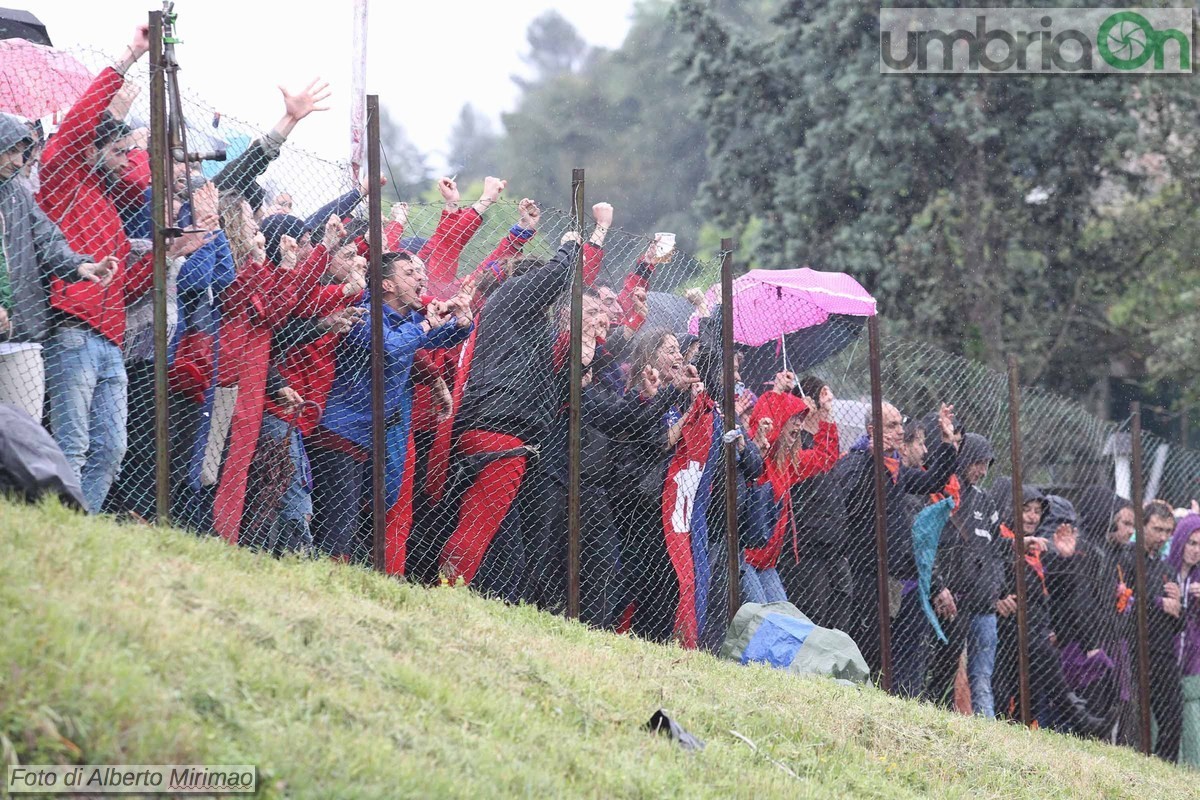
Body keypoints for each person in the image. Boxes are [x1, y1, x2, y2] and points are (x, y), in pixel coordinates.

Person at [439, 203, 611, 603]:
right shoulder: (515, 296)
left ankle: (465, 593)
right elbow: (558, 275)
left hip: (498, 425)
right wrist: (572, 244)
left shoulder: (520, 322)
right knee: (479, 522)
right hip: (501, 430)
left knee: (495, 533)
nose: (554, 301)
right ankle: (446, 593)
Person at [35, 26, 158, 513]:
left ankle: (79, 529)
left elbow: (143, 185)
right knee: (73, 445)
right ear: (92, 146)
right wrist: (130, 56)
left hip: (109, 336)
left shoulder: (107, 203)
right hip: (73, 328)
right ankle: (59, 531)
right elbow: (80, 122)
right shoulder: (62, 171)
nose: (130, 161)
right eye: (122, 150)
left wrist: (169, 256)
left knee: (110, 450)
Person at [308, 250, 473, 567]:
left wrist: (461, 318)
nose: (420, 278)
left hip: (366, 437)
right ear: (386, 285)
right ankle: (325, 577)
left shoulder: (406, 319)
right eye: (409, 273)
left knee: (354, 517)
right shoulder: (364, 313)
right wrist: (426, 325)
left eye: (419, 272)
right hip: (340, 432)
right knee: (338, 522)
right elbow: (392, 347)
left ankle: (334, 574)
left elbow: (440, 336)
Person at [835, 400, 959, 692]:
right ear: (871, 430)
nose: (900, 431)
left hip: (888, 574)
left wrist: (947, 443)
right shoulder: (857, 464)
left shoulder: (894, 469)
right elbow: (841, 505)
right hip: (861, 572)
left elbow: (932, 480)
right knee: (861, 642)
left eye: (900, 424)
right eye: (891, 426)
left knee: (879, 647)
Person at [0, 113, 99, 422]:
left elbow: (47, 238)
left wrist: (80, 266)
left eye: (23, 152)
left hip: (21, 333)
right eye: (12, 151)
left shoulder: (18, 195)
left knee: (25, 440)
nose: (19, 162)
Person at [924, 433, 1007, 717]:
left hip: (984, 605)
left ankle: (988, 728)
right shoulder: (942, 494)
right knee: (946, 669)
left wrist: (996, 588)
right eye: (978, 463)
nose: (982, 472)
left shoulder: (986, 501)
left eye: (986, 465)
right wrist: (940, 585)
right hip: (953, 602)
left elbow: (998, 551)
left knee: (982, 678)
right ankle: (938, 714)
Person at [740, 371, 840, 606]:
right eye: (793, 417)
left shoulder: (788, 463)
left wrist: (826, 415)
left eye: (800, 419)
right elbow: (763, 427)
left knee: (783, 616)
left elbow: (825, 457)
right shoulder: (759, 457)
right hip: (746, 557)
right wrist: (777, 391)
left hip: (767, 563)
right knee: (761, 617)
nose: (798, 423)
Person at [775, 375, 853, 631]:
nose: (830, 402)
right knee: (811, 614)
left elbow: (828, 456)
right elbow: (819, 457)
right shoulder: (794, 444)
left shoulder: (822, 442)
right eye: (824, 396)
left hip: (833, 546)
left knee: (839, 609)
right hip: (806, 549)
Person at [1142, 500, 1184, 761]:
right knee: (1135, 717)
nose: (1162, 537)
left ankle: (1163, 766)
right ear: (1142, 526)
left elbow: (1178, 624)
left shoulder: (1166, 569)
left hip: (1163, 653)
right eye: (1157, 529)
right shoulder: (1128, 559)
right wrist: (1159, 603)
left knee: (1172, 715)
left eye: (1167, 531)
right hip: (1135, 649)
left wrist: (1178, 605)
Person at [1167, 513, 1200, 767]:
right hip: (1165, 657)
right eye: (1191, 543)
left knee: (1192, 717)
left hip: (1192, 661)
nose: (1195, 551)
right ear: (1180, 542)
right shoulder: (1164, 571)